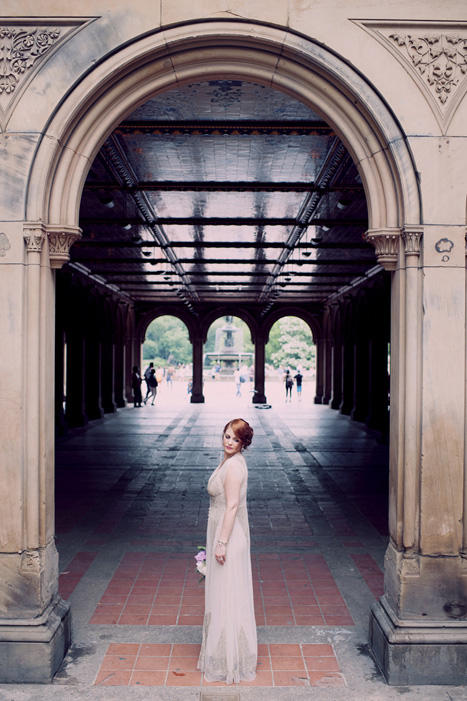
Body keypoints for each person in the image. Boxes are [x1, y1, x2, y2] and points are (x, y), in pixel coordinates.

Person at [198, 418, 257, 684]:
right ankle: (225, 653)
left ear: (243, 443)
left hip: (229, 537)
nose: (229, 442)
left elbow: (232, 507)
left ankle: (230, 660)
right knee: (228, 594)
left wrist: (221, 543)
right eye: (226, 436)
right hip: (225, 534)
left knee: (227, 595)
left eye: (235, 439)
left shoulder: (233, 466)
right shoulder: (230, 461)